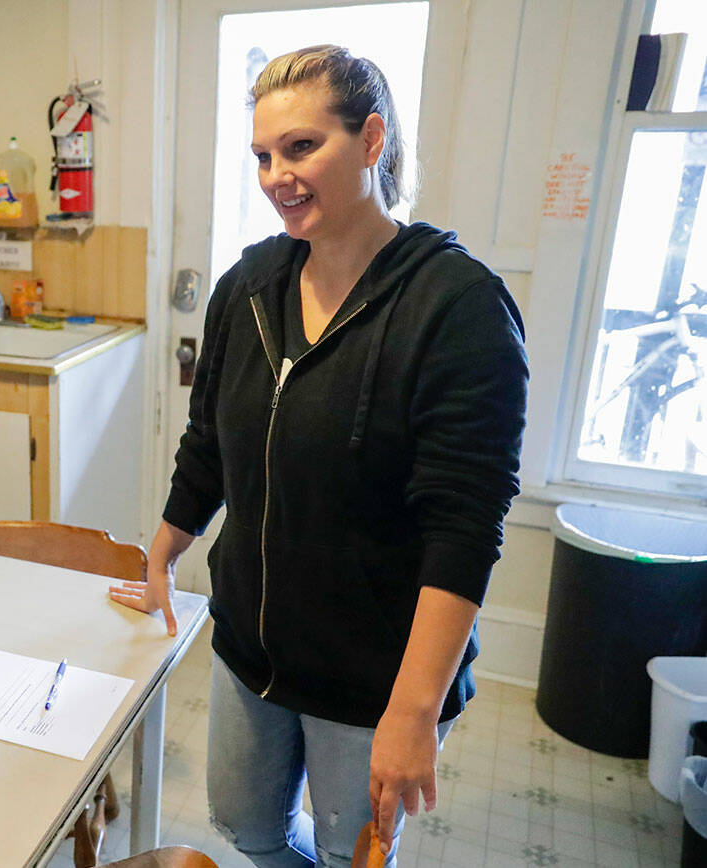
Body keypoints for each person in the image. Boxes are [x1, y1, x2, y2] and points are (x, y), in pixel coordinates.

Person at [110, 45, 528, 867]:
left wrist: (413, 712)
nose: (277, 176)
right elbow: (210, 441)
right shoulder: (251, 284)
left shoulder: (458, 308)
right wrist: (163, 549)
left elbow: (464, 527)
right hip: (251, 648)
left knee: (349, 855)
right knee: (247, 829)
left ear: (371, 140)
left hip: (372, 678)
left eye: (302, 148)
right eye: (264, 156)